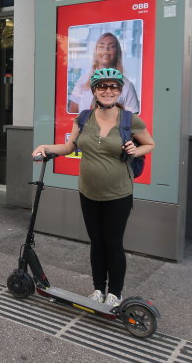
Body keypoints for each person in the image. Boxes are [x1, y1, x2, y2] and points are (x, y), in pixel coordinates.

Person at [32, 68, 155, 307]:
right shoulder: (84, 118)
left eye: (113, 87)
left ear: (120, 91)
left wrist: (135, 150)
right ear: (95, 90)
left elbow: (150, 144)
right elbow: (69, 148)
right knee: (96, 243)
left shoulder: (130, 119)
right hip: (88, 192)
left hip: (118, 194)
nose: (108, 91)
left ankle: (115, 293)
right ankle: (98, 289)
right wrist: (44, 146)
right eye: (103, 86)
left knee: (113, 243)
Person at [68, 33, 140, 114]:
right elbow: (72, 114)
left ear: (117, 52)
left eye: (112, 46)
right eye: (101, 46)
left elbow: (134, 121)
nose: (106, 49)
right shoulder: (82, 80)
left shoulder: (127, 85)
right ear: (96, 51)